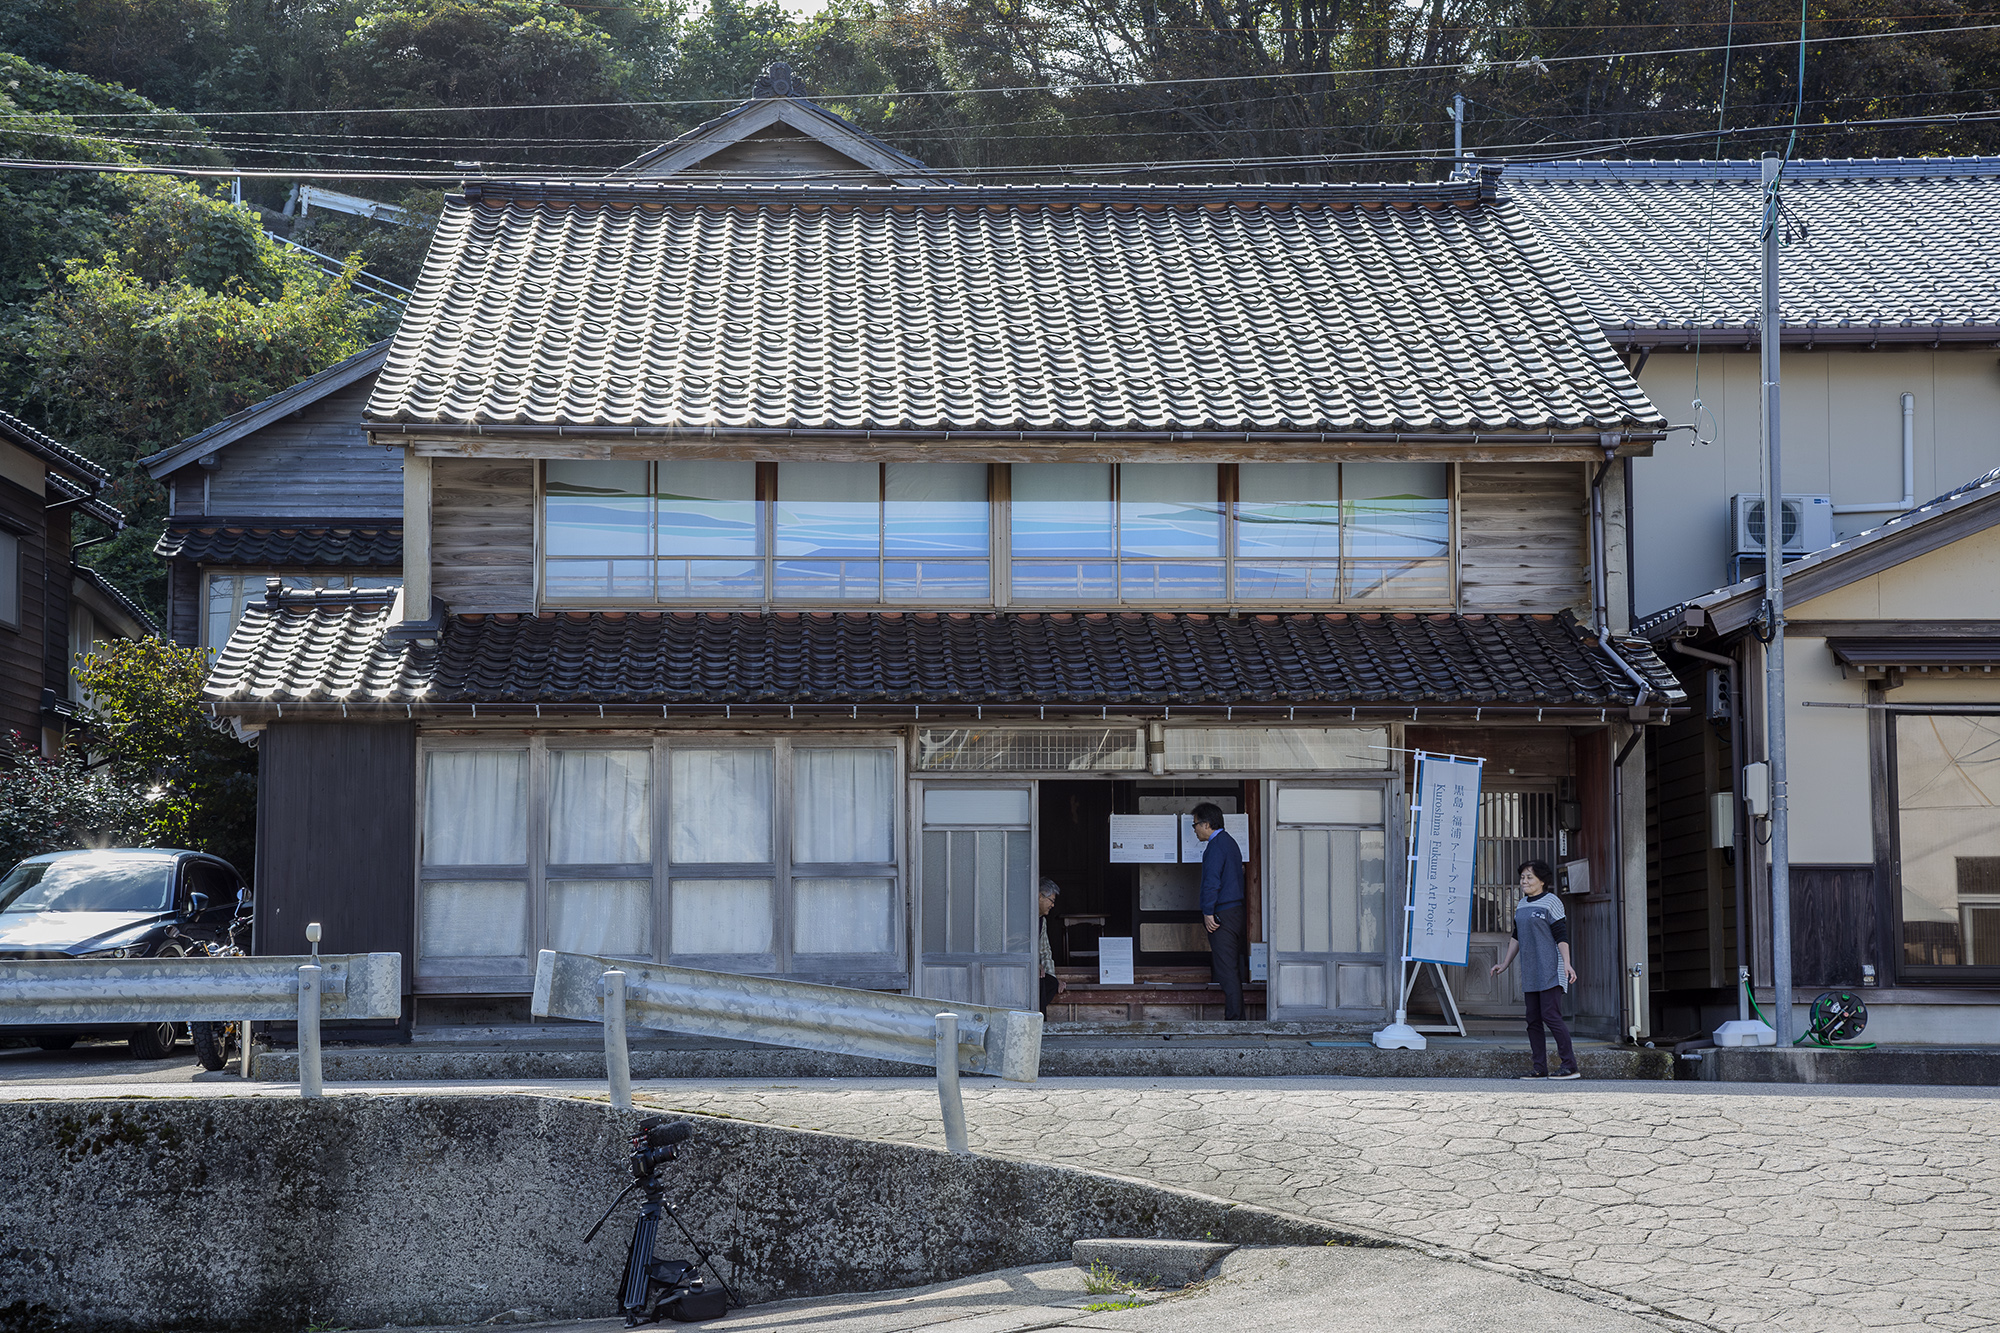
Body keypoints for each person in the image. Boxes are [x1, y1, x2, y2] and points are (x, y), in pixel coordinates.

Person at [1490, 860, 1580, 1079]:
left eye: (1529, 877)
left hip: (1552, 968)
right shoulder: (1522, 905)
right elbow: (1516, 937)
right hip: (1531, 971)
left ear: (1542, 881)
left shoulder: (1552, 902)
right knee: (1532, 1020)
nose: (1524, 881)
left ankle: (1570, 1065)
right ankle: (1539, 1068)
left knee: (1551, 1015)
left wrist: (1567, 963)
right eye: (1522, 877)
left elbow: (1561, 936)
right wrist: (1505, 963)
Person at [1191, 803, 1246, 1021]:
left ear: (1206, 824)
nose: (1194, 829)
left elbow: (1212, 883)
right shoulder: (1229, 842)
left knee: (1226, 970)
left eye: (1195, 824)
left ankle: (1235, 1021)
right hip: (1234, 911)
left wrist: (1208, 912)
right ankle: (1236, 1018)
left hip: (1223, 913)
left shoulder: (1215, 847)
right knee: (1230, 967)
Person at [1037, 877, 1067, 1017]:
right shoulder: (1020, 917)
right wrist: (1031, 964)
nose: (1053, 905)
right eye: (1051, 901)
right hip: (1018, 971)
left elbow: (1044, 951)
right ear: (1039, 896)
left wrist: (1053, 977)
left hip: (1036, 973)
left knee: (1049, 983)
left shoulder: (1042, 921)